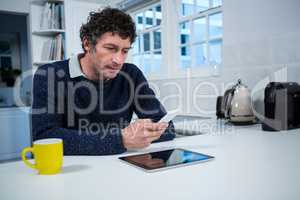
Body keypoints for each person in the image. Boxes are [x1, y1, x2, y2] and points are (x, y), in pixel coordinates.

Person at [31, 7, 175, 155]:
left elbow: (168, 129)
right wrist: (121, 139)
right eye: (110, 48)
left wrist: (140, 133)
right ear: (87, 44)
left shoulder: (131, 74)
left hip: (119, 167)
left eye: (124, 51)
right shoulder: (50, 75)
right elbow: (44, 137)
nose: (118, 60)